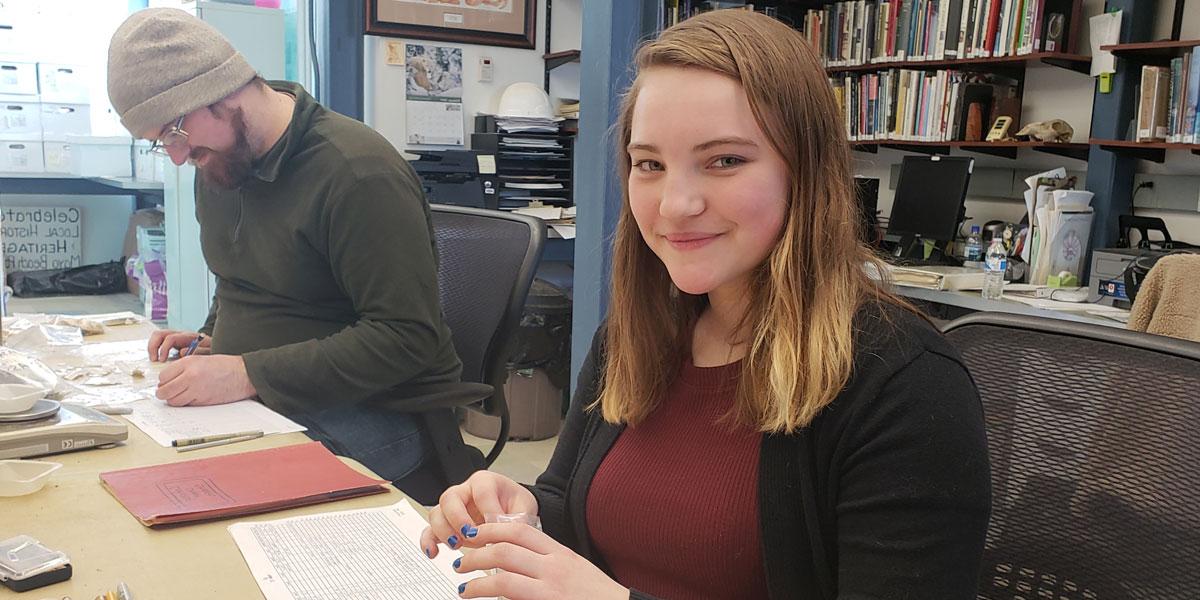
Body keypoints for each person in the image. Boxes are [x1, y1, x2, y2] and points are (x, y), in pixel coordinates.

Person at [419, 9, 991, 600]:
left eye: (724, 160)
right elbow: (577, 505)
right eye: (650, 165)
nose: (674, 205)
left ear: (807, 172)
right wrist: (528, 512)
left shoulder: (907, 385)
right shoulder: (633, 339)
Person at [106, 8, 473, 500]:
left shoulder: (357, 175)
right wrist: (215, 336)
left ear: (221, 90)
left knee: (201, 487)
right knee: (130, 448)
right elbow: (238, 276)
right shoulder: (220, 163)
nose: (175, 155)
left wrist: (247, 373)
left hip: (381, 412)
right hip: (274, 394)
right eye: (159, 143)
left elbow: (407, 338)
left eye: (175, 132)